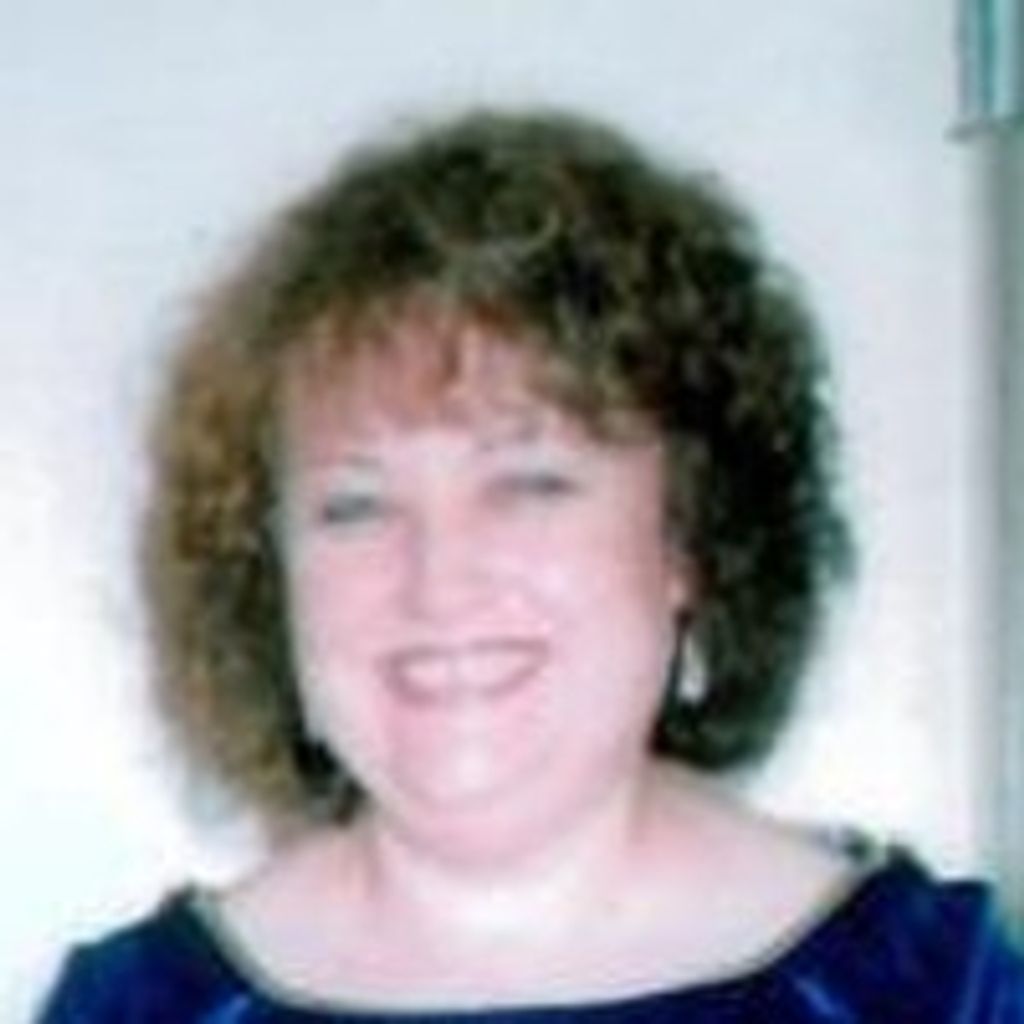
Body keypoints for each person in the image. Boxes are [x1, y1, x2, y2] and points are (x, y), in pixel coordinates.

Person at [38, 109, 1024, 1021]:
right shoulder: (141, 1008)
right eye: (355, 505)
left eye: (527, 483)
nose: (438, 582)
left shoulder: (935, 989)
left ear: (691, 536)